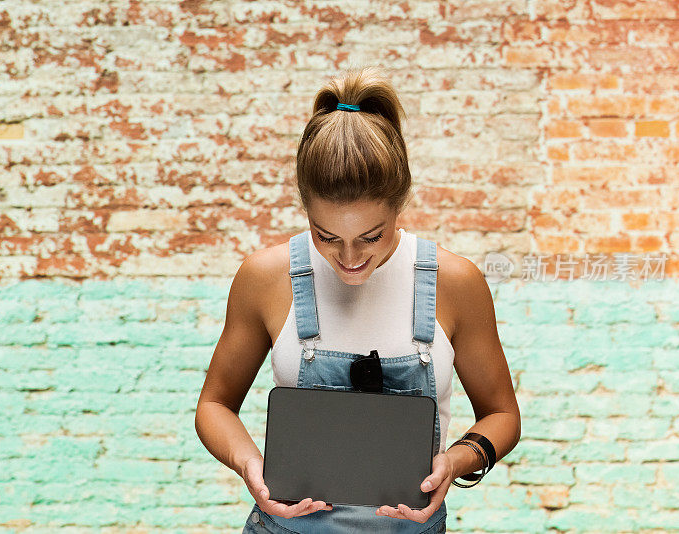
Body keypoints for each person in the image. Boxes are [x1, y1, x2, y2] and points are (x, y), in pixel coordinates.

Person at [194, 65, 521, 533]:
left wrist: (458, 459)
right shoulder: (266, 278)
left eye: (371, 237)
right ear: (305, 208)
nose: (349, 259)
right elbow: (214, 405)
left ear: (400, 204)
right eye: (326, 237)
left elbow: (503, 415)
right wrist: (252, 466)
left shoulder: (455, 283)